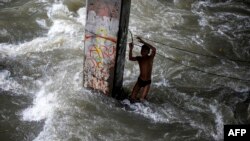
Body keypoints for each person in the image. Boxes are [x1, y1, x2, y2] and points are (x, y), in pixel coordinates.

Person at [128, 36, 156, 102]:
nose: (142, 52)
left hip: (147, 82)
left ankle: (144, 98)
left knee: (142, 100)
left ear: (148, 52)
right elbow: (130, 58)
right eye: (142, 50)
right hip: (140, 80)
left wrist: (143, 42)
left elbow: (154, 49)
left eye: (145, 51)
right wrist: (131, 49)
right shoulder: (139, 58)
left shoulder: (150, 58)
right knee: (132, 98)